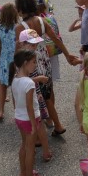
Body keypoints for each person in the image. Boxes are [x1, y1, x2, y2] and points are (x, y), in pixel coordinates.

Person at [8, 50, 43, 176]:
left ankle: (23, 173)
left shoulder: (15, 79)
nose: (35, 65)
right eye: (34, 62)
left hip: (19, 118)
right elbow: (29, 106)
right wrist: (34, 125)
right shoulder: (29, 83)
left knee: (24, 145)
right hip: (29, 120)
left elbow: (17, 100)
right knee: (30, 150)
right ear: (25, 63)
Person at [17, 28, 53, 162]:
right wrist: (39, 79)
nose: (35, 46)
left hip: (35, 94)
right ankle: (33, 148)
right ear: (22, 44)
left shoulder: (33, 55)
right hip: (28, 95)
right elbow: (21, 80)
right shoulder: (19, 61)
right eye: (32, 44)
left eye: (36, 43)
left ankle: (45, 150)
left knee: (39, 123)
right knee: (33, 124)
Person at [0, 2, 18, 121]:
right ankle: (17, 112)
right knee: (16, 87)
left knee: (3, 86)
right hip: (16, 59)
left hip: (4, 60)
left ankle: (1, 111)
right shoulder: (18, 27)